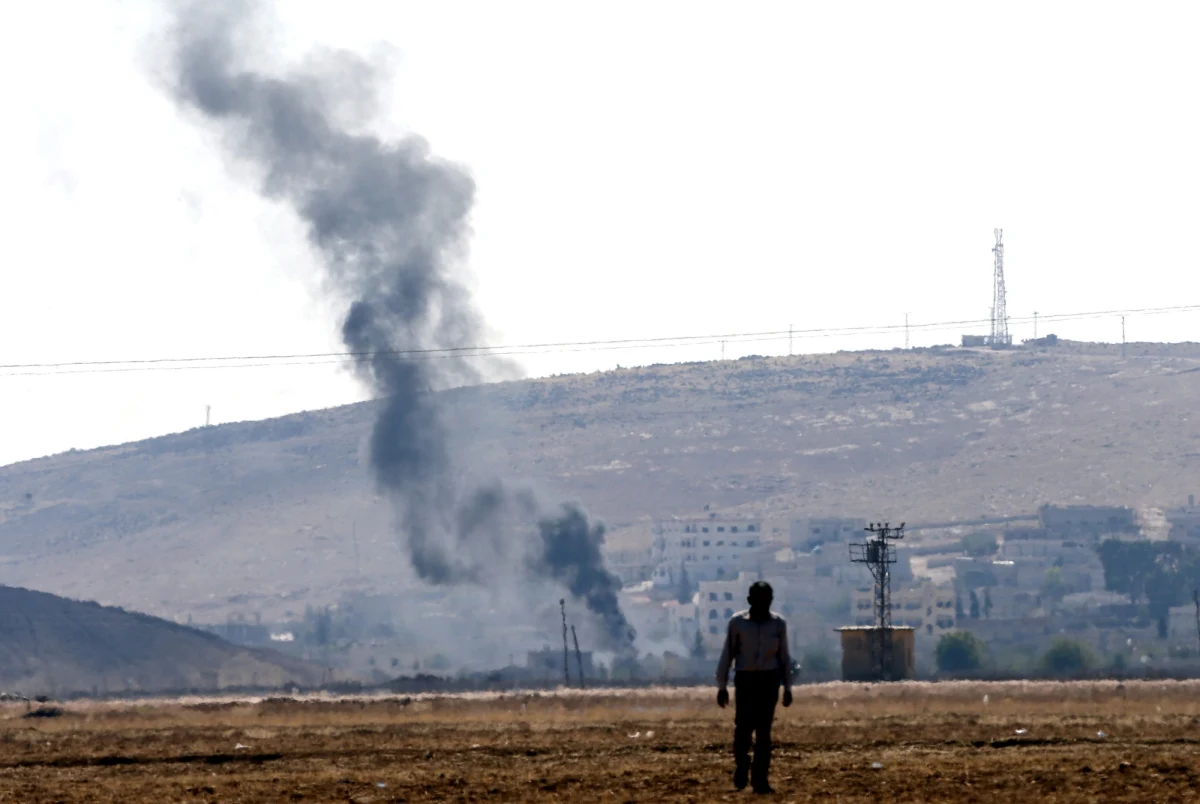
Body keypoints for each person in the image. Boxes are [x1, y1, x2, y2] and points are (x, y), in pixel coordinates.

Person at [716, 581, 793, 794]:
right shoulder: (738, 623)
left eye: (767, 600)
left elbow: (784, 657)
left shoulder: (778, 625)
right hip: (745, 680)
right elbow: (727, 655)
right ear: (750, 600)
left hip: (769, 681)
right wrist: (722, 686)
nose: (763, 604)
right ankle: (742, 766)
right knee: (743, 729)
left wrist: (787, 687)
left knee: (764, 732)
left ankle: (760, 780)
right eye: (759, 599)